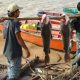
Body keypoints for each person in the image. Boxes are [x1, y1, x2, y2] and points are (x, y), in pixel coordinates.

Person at [3, 3, 30, 80]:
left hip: (7, 51)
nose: (19, 12)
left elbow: (5, 36)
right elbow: (19, 38)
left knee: (10, 69)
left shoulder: (5, 22)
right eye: (18, 11)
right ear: (15, 13)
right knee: (14, 75)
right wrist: (26, 49)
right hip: (15, 53)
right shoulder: (15, 23)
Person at [71, 2, 80, 66]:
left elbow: (72, 26)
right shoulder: (76, 17)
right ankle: (75, 63)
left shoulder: (75, 17)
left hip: (78, 35)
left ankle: (76, 63)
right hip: (79, 35)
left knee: (78, 49)